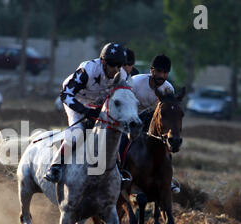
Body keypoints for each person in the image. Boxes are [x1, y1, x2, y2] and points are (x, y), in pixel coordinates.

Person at [44, 42, 129, 183]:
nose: (116, 69)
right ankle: (55, 166)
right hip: (76, 101)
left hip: (97, 105)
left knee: (112, 134)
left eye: (119, 65)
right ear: (103, 61)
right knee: (77, 132)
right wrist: (85, 111)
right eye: (112, 64)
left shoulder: (122, 76)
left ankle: (118, 171)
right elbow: (65, 94)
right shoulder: (88, 70)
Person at [129, 54, 180, 193]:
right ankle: (120, 172)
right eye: (159, 71)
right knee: (122, 143)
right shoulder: (135, 82)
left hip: (150, 123)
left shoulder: (168, 89)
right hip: (130, 120)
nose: (161, 75)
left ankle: (167, 179)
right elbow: (126, 104)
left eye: (165, 72)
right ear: (151, 70)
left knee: (164, 144)